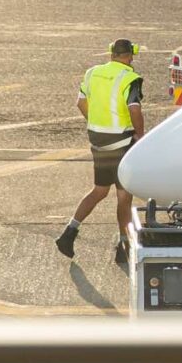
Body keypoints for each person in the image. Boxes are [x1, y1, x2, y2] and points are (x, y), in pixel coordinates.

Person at [57, 38, 144, 267]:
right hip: (122, 142)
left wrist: (95, 122)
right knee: (124, 197)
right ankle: (123, 246)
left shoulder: (92, 73)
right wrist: (140, 135)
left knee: (99, 190)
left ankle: (69, 232)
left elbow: (80, 102)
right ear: (130, 56)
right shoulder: (130, 78)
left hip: (98, 141)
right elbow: (134, 108)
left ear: (111, 53)